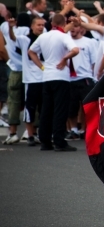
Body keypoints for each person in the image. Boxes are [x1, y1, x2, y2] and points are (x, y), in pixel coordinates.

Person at [28, 14, 79, 151]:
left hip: (47, 76)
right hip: (61, 76)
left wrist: (42, 66)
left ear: (51, 23)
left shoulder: (43, 36)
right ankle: (59, 140)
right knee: (60, 110)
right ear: (63, 24)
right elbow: (75, 50)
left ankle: (45, 140)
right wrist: (64, 59)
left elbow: (31, 51)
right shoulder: (63, 36)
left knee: (46, 109)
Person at [7, 16, 45, 145]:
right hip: (31, 79)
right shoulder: (25, 39)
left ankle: (38, 133)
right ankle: (29, 135)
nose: (40, 27)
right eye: (38, 25)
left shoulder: (46, 38)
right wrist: (11, 27)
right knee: (30, 107)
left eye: (42, 25)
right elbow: (13, 38)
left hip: (45, 78)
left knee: (43, 108)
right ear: (32, 26)